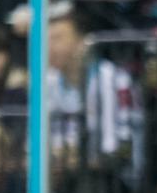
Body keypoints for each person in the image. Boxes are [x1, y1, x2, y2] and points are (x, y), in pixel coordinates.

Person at [44, 12, 143, 178]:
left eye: (57, 38)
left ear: (82, 43)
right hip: (63, 175)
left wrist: (83, 160)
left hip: (112, 178)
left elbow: (121, 142)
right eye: (46, 40)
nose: (50, 46)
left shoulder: (115, 79)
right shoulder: (48, 81)